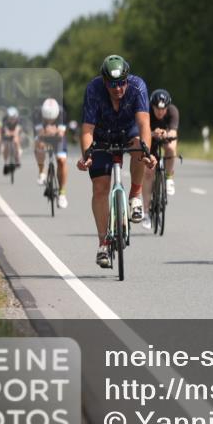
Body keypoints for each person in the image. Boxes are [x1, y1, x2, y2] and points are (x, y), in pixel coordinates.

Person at [75, 55, 156, 267]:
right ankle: (103, 243)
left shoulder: (137, 87)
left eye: (121, 83)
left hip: (129, 132)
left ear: (127, 79)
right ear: (104, 81)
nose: (118, 88)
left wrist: (147, 152)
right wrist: (87, 156)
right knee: (100, 188)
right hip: (102, 136)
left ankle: (135, 195)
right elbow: (87, 129)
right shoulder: (93, 89)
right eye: (112, 84)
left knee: (139, 146)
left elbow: (144, 124)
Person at [141, 89, 179, 229]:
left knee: (171, 147)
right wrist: (152, 133)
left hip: (165, 138)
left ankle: (169, 178)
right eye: (157, 109)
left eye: (163, 109)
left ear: (167, 107)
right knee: (148, 173)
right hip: (150, 139)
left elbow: (173, 132)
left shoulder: (173, 111)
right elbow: (141, 130)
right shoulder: (146, 111)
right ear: (152, 106)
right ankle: (146, 212)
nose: (160, 112)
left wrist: (165, 134)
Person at [33, 98, 69, 208]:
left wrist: (50, 131)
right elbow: (40, 134)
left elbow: (60, 134)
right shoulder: (37, 114)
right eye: (47, 120)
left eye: (52, 119)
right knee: (39, 144)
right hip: (43, 137)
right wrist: (51, 131)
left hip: (58, 138)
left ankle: (62, 193)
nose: (49, 121)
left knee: (61, 161)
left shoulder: (62, 113)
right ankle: (41, 172)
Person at [1, 106, 23, 173]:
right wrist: (7, 133)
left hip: (16, 132)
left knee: (16, 140)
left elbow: (18, 129)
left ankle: (17, 157)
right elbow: (5, 129)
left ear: (16, 117)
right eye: (10, 118)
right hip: (6, 133)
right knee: (6, 146)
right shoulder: (4, 120)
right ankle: (5, 162)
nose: (12, 120)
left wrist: (15, 133)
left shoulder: (19, 120)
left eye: (13, 118)